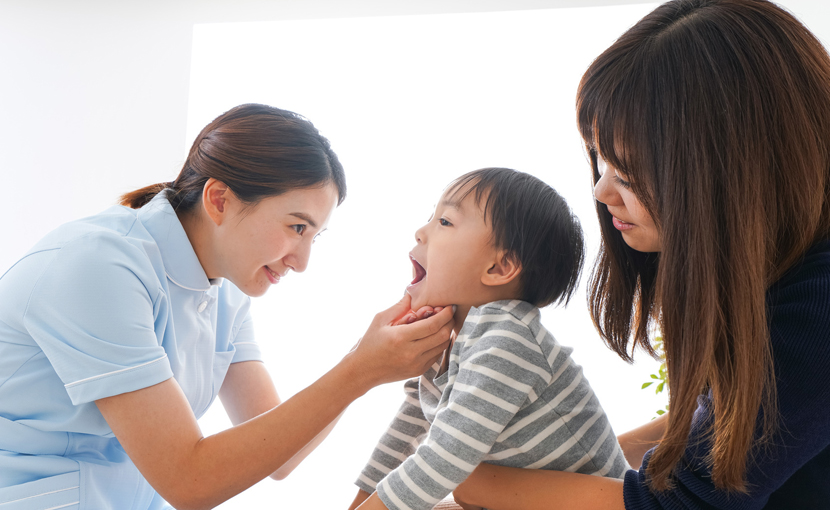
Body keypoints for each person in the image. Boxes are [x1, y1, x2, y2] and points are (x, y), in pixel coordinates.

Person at [449, 1, 830, 509]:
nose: (603, 192)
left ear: (729, 171)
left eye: (629, 172)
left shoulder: (817, 310)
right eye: (600, 159)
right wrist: (600, 455)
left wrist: (465, 478)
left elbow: (686, 503)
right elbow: (725, 430)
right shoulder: (781, 270)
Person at [0, 103, 454, 510]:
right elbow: (189, 481)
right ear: (219, 199)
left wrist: (367, 357)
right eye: (297, 227)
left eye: (315, 236)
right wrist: (362, 368)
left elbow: (281, 455)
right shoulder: (96, 266)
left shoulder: (224, 289)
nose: (302, 262)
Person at [348, 168, 630, 510]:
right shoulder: (450, 338)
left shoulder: (507, 337)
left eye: (445, 222)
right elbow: (408, 430)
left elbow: (441, 459)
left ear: (499, 268)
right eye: (431, 218)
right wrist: (358, 502)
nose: (421, 232)